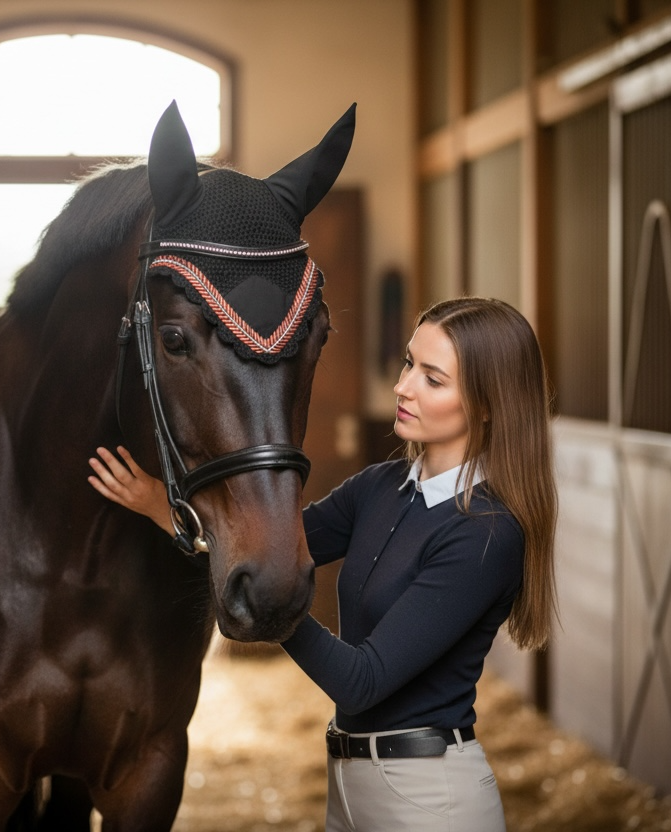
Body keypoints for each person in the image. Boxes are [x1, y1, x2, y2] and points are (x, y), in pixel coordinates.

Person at [87, 296, 558, 831]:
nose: (402, 387)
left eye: (433, 378)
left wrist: (271, 605)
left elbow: (363, 680)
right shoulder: (380, 487)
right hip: (347, 782)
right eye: (409, 363)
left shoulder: (485, 534)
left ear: (487, 403)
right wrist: (159, 504)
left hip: (431, 799)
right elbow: (263, 545)